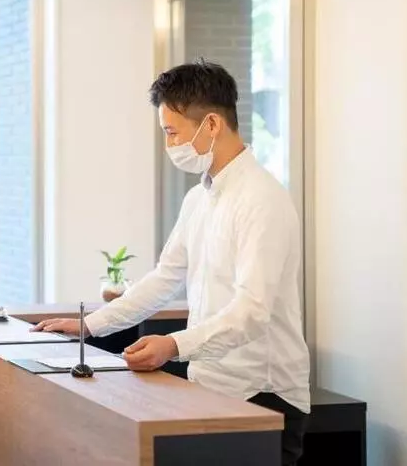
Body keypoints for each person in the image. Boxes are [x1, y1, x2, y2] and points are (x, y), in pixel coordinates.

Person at [33, 61, 311, 466]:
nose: (169, 145)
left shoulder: (262, 199)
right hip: (210, 385)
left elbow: (252, 311)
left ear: (211, 124)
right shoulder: (199, 198)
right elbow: (166, 276)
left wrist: (173, 344)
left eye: (172, 132)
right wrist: (91, 325)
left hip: (263, 394)